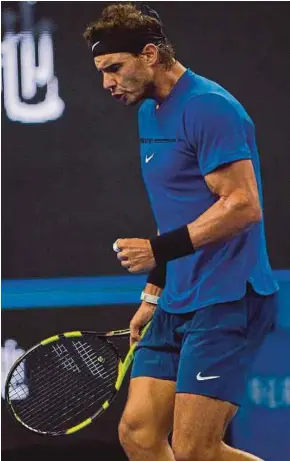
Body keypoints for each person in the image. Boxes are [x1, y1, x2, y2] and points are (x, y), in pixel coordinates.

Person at [84, 3, 279, 461]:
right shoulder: (148, 111)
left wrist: (157, 250)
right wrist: (155, 291)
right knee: (139, 433)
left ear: (150, 54)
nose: (106, 83)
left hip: (228, 298)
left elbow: (244, 205)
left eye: (114, 68)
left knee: (196, 450)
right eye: (101, 71)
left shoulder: (209, 107)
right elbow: (176, 211)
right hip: (178, 298)